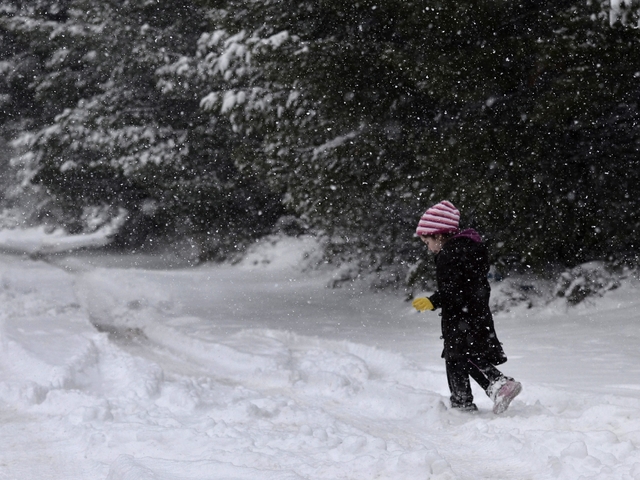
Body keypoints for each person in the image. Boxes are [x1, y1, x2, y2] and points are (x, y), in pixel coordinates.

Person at [412, 200, 522, 414]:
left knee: (463, 354)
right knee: (456, 355)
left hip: (461, 316)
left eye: (427, 242)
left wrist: (433, 301)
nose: (429, 248)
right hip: (474, 312)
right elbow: (470, 286)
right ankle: (463, 401)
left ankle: (498, 383)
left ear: (438, 234)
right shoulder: (469, 249)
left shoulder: (449, 255)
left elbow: (454, 289)